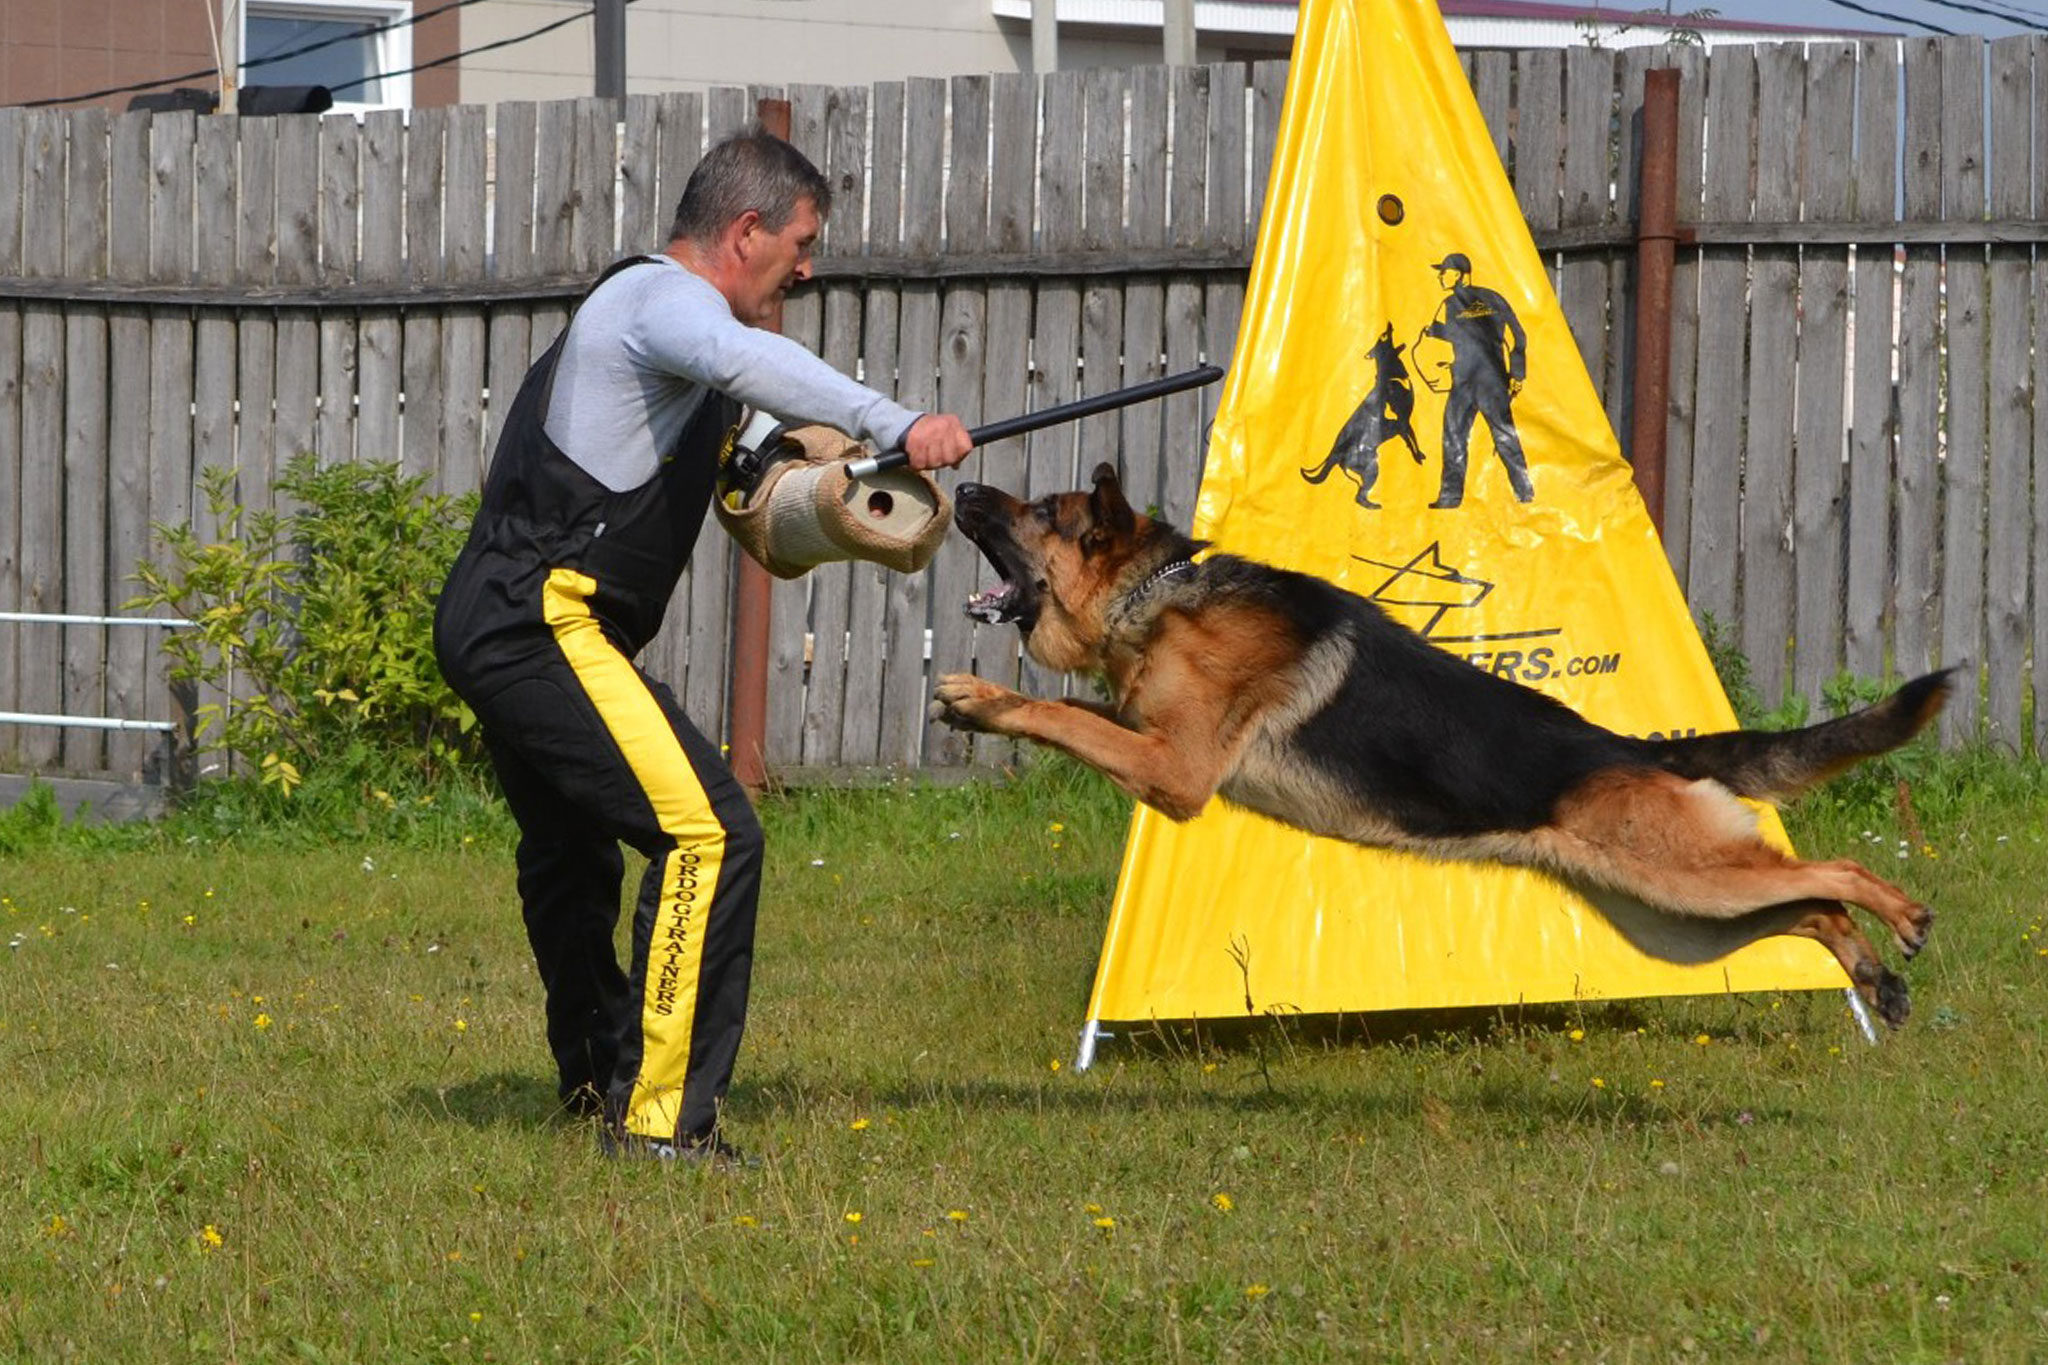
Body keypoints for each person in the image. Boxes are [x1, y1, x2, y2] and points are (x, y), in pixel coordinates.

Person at [433, 129, 974, 1164]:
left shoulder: (681, 357)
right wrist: (895, 420)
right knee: (711, 835)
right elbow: (745, 359)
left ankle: (597, 1076)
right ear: (744, 230)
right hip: (544, 618)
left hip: (499, 615)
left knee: (571, 852)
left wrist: (849, 483)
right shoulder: (660, 304)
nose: (809, 267)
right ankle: (659, 1124)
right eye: (802, 241)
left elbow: (760, 502)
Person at [1416, 252, 1533, 507]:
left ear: (1459, 275)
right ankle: (1453, 497)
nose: (1439, 276)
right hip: (1474, 382)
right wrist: (1517, 373)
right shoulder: (1457, 304)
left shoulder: (1468, 302)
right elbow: (1512, 335)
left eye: (1444, 271)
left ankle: (1523, 493)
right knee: (1464, 436)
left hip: (1481, 382)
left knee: (1490, 436)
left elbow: (1517, 335)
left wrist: (1517, 373)